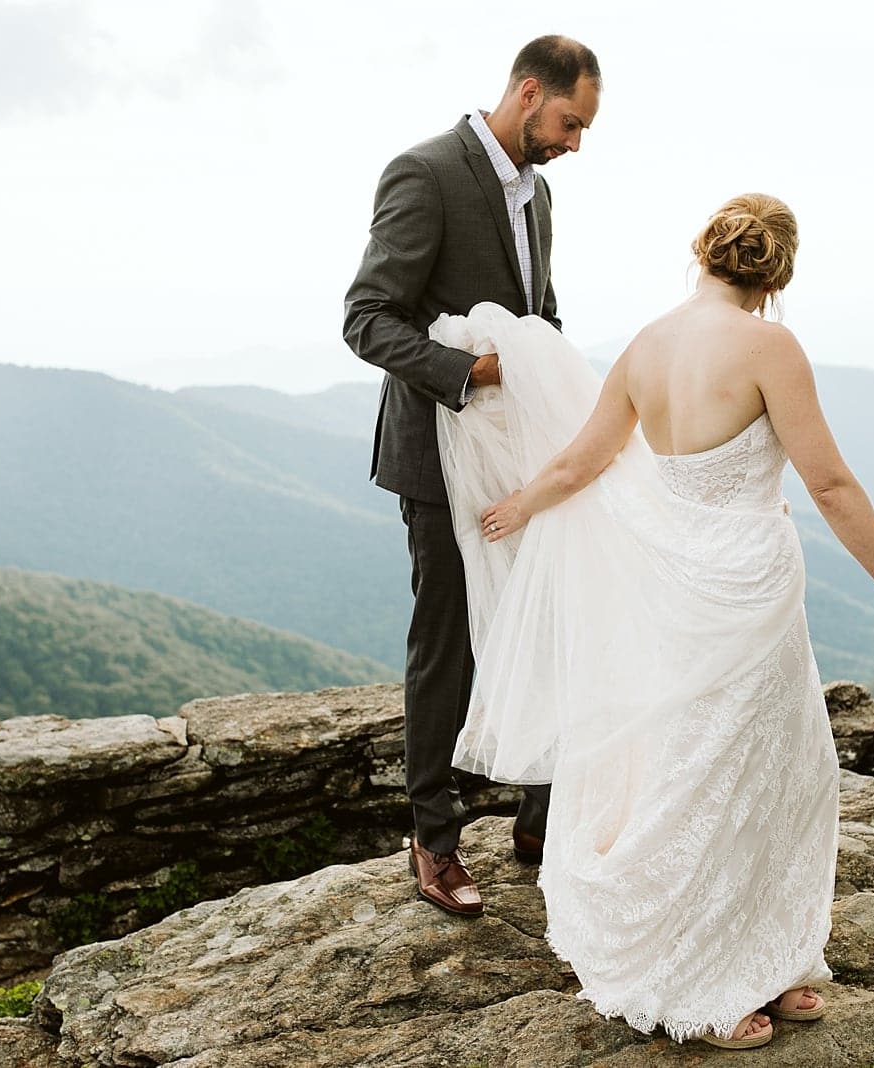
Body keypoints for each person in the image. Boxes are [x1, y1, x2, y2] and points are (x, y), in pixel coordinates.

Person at [441, 194, 874, 1049]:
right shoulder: (770, 346)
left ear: (703, 253)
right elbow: (829, 485)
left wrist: (519, 505)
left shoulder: (649, 343)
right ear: (778, 274)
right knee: (731, 773)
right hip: (743, 582)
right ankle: (700, 981)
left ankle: (767, 960)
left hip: (676, 581)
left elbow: (583, 461)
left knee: (745, 767)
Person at [342, 35, 602, 917]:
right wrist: (469, 374)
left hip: (522, 459)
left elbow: (542, 318)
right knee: (446, 644)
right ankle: (434, 844)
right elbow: (366, 320)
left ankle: (540, 819)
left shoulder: (541, 197)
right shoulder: (424, 172)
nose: (575, 143)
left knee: (547, 622)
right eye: (571, 123)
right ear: (529, 93)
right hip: (438, 455)